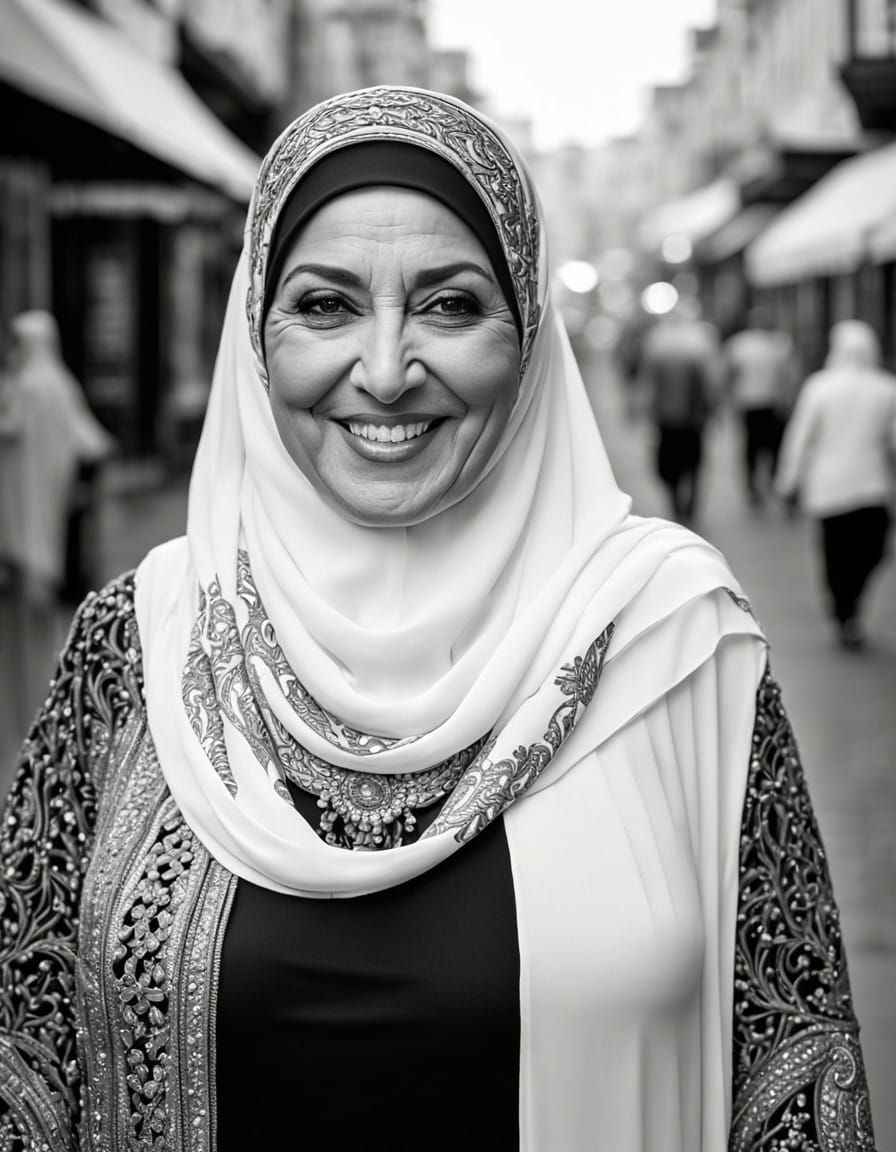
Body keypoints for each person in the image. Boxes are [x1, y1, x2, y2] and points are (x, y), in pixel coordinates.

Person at [0, 87, 876, 1151]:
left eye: (450, 306)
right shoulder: (134, 642)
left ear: (528, 336)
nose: (382, 371)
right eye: (323, 306)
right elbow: (25, 1057)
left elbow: (794, 1074)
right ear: (254, 336)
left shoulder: (675, 643)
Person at [0, 310, 115, 770]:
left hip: (21, 526)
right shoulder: (60, 385)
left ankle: (30, 720)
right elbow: (95, 444)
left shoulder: (24, 391)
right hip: (55, 525)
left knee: (24, 640)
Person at [776, 318, 896, 650]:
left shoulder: (819, 386)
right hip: (871, 488)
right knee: (872, 549)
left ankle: (842, 606)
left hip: (828, 488)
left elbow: (799, 438)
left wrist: (788, 482)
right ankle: (849, 610)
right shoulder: (887, 387)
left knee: (835, 552)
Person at [637, 301, 720, 523]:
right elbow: (711, 385)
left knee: (675, 464)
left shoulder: (659, 346)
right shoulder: (697, 347)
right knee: (692, 463)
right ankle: (687, 504)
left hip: (671, 419)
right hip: (686, 420)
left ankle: (680, 502)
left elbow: (649, 384)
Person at [723, 305, 800, 508]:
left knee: (752, 447)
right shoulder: (779, 344)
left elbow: (728, 376)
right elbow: (790, 377)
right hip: (769, 404)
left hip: (752, 404)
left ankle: (755, 485)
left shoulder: (741, 344)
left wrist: (730, 400)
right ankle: (770, 482)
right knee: (772, 447)